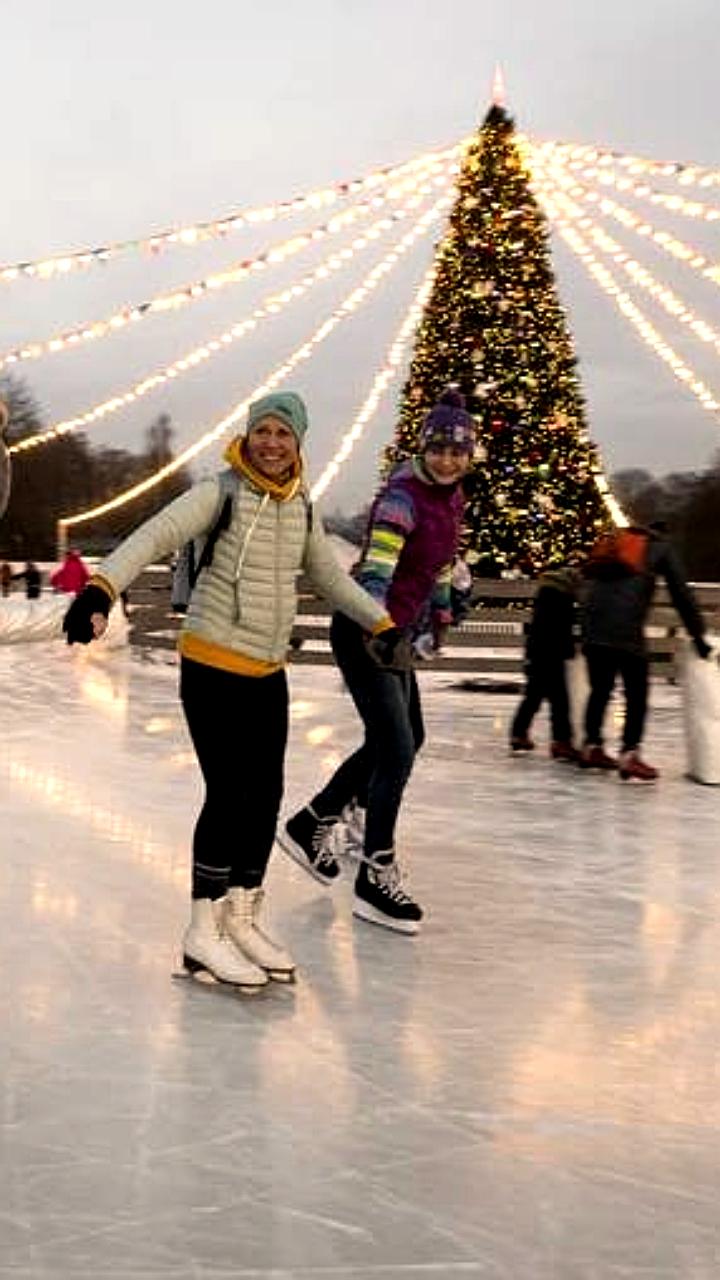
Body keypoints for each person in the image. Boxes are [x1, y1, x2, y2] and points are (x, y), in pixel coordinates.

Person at [63, 391, 396, 989]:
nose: (271, 442)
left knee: (265, 796)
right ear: (248, 435)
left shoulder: (302, 506)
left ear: (298, 444)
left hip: (267, 672)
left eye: (283, 434)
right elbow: (153, 535)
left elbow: (327, 575)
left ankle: (241, 917)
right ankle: (201, 929)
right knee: (228, 794)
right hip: (212, 662)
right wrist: (100, 589)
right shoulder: (219, 493)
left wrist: (381, 623)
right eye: (262, 431)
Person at [280, 388, 475, 935]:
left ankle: (312, 821)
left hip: (392, 633)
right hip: (366, 630)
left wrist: (440, 613)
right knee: (396, 749)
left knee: (408, 736)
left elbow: (437, 567)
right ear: (423, 447)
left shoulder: (452, 499)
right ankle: (374, 872)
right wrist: (379, 625)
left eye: (458, 452)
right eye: (438, 448)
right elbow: (376, 573)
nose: (447, 459)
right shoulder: (402, 498)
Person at [580, 522, 711, 781]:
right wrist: (698, 635)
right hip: (624, 628)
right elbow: (681, 593)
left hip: (592, 622)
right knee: (637, 691)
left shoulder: (617, 541)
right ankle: (630, 754)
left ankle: (591, 747)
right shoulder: (661, 546)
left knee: (600, 689)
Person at [509, 563, 580, 761]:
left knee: (533, 696)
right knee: (560, 701)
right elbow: (560, 630)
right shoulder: (561, 598)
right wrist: (568, 650)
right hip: (551, 655)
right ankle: (561, 741)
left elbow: (540, 628)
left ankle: (519, 733)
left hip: (538, 653)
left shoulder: (546, 594)